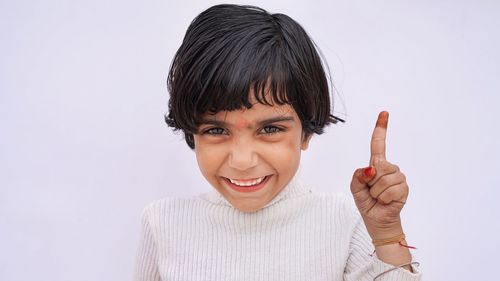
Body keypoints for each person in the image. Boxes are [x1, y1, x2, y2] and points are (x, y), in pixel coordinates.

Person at [133, 4, 421, 281]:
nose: (243, 161)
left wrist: (386, 233)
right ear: (191, 130)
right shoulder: (163, 223)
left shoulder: (344, 221)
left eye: (270, 129)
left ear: (306, 131)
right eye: (217, 131)